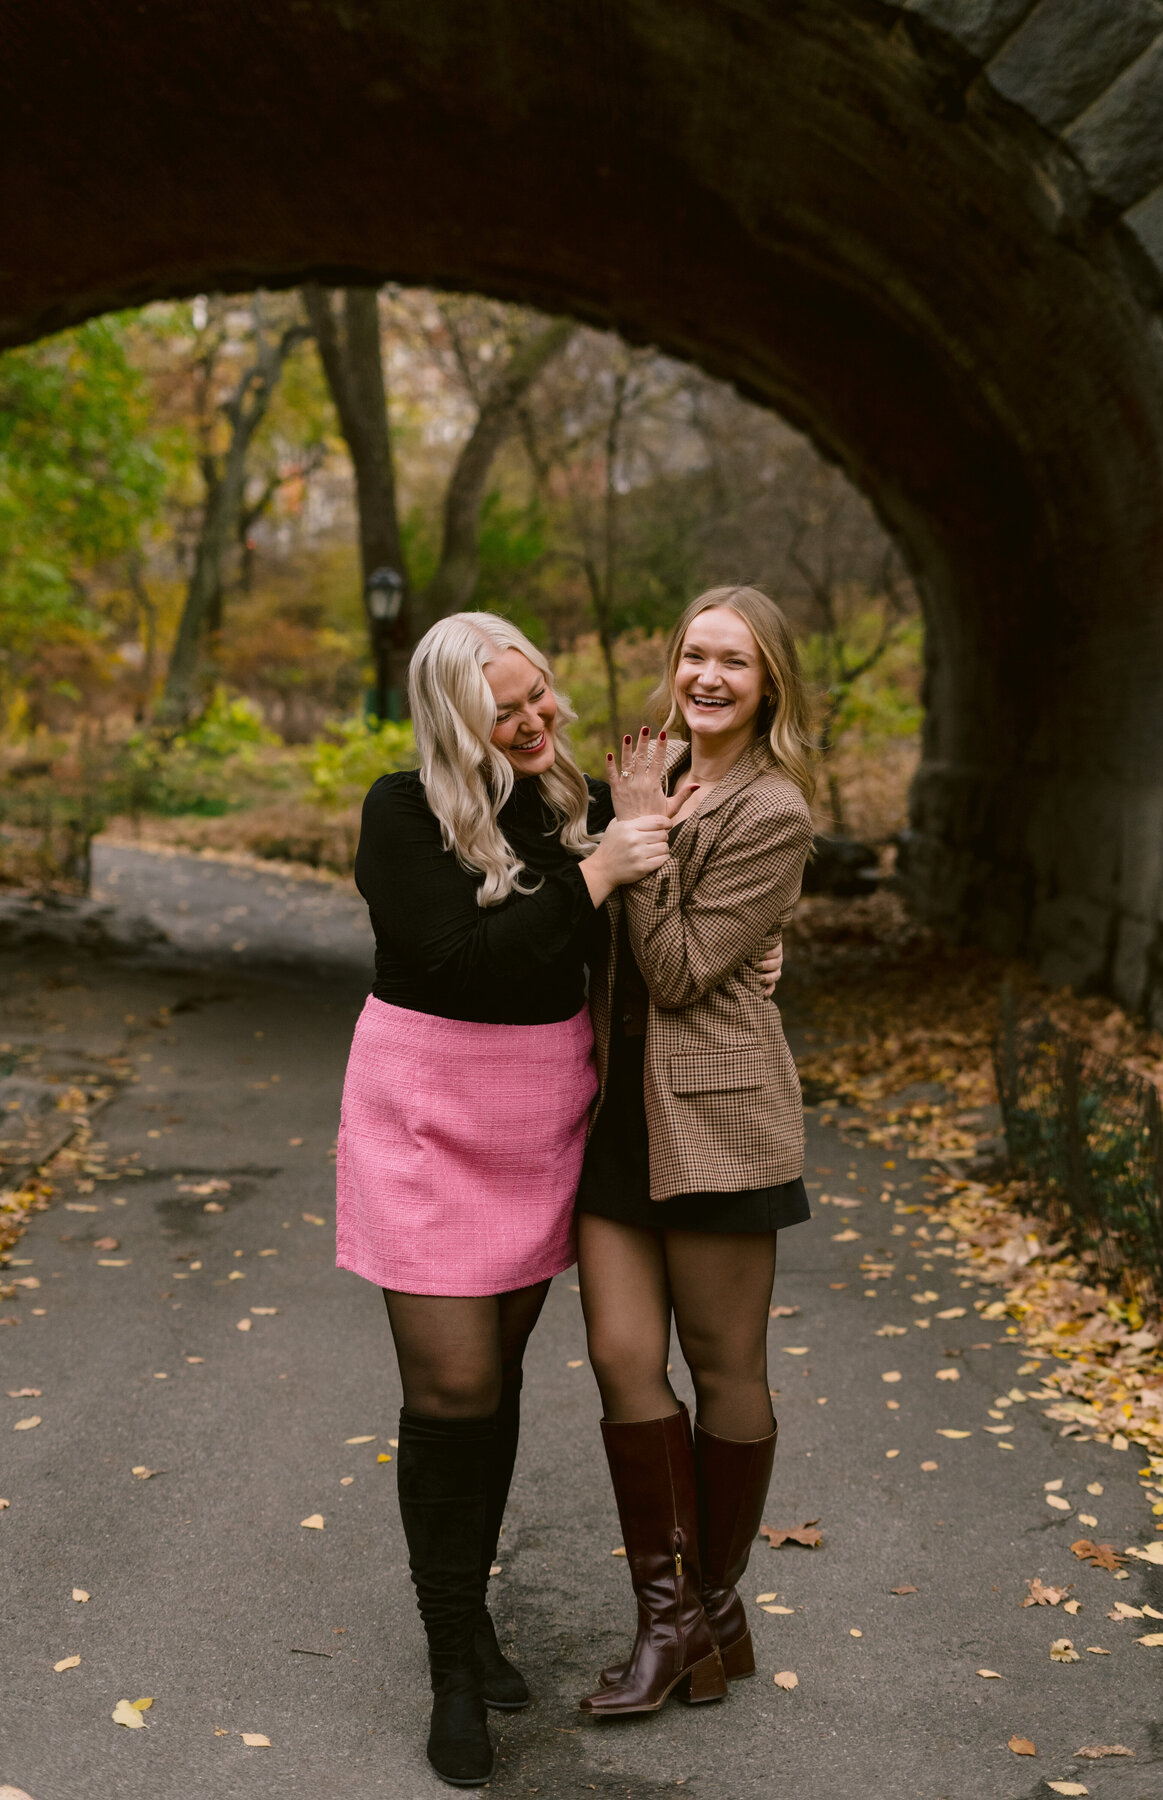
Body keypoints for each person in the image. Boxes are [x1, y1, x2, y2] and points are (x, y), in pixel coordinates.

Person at [335, 611, 780, 1787]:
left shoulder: (560, 797)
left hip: (541, 1110)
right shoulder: (401, 812)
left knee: (504, 1377)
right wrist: (598, 869)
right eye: (507, 710)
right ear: (452, 719)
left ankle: (480, 1618)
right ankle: (450, 1659)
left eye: (541, 699)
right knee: (454, 1383)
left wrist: (731, 924)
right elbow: (463, 962)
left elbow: (619, 951)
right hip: (428, 1110)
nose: (534, 722)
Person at [574, 585, 817, 1717]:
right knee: (625, 1357)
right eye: (693, 654)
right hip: (616, 1111)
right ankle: (685, 1619)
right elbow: (587, 926)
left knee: (727, 1374)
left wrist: (639, 839)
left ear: (770, 683)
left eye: (735, 661)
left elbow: (675, 970)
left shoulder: (774, 810)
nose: (707, 677)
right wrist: (624, 828)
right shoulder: (643, 775)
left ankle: (701, 1606)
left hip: (719, 1117)